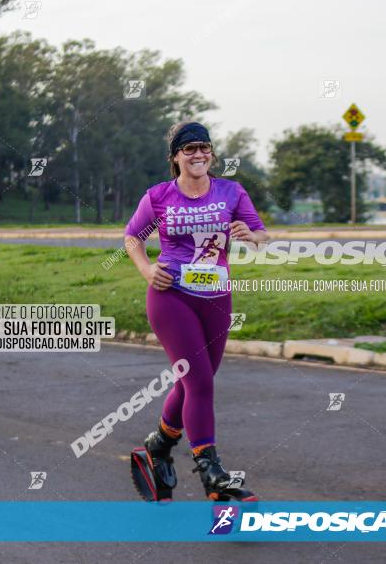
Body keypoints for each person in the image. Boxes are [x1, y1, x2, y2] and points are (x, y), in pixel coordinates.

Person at [124, 120, 268, 501]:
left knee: (191, 383)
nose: (198, 154)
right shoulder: (158, 196)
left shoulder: (232, 192)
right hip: (171, 296)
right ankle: (212, 473)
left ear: (212, 153)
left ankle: (158, 446)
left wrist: (251, 237)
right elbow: (131, 237)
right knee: (200, 382)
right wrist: (146, 269)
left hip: (217, 297)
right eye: (189, 149)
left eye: (204, 147)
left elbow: (261, 234)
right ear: (175, 157)